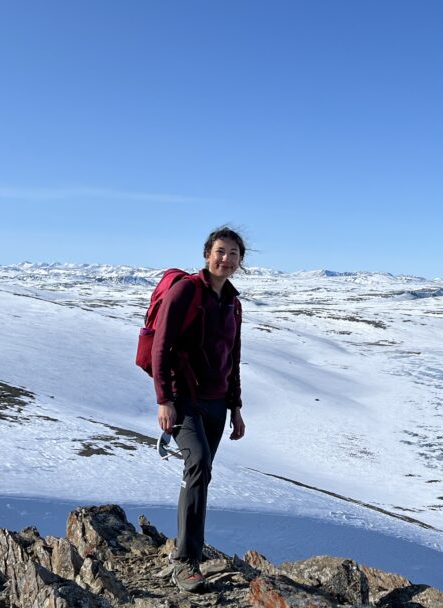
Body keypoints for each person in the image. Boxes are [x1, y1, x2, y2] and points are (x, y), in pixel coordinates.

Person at [151, 227, 247, 593]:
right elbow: (161, 346)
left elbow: (233, 359)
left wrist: (235, 408)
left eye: (234, 253)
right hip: (184, 399)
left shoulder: (233, 304)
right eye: (220, 251)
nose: (226, 258)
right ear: (207, 253)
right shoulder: (186, 291)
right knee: (198, 463)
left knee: (200, 474)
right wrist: (164, 399)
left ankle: (190, 548)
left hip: (217, 403)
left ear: (241, 260)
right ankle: (186, 562)